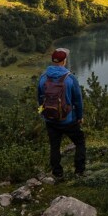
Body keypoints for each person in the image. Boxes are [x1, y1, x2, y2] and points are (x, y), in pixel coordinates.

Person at [37, 48, 86, 179]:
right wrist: (80, 116)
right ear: (64, 61)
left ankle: (57, 173)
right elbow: (78, 100)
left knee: (54, 146)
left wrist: (43, 114)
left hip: (50, 120)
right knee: (80, 142)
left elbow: (40, 99)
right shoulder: (70, 79)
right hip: (68, 120)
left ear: (53, 61)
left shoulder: (43, 78)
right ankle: (79, 171)